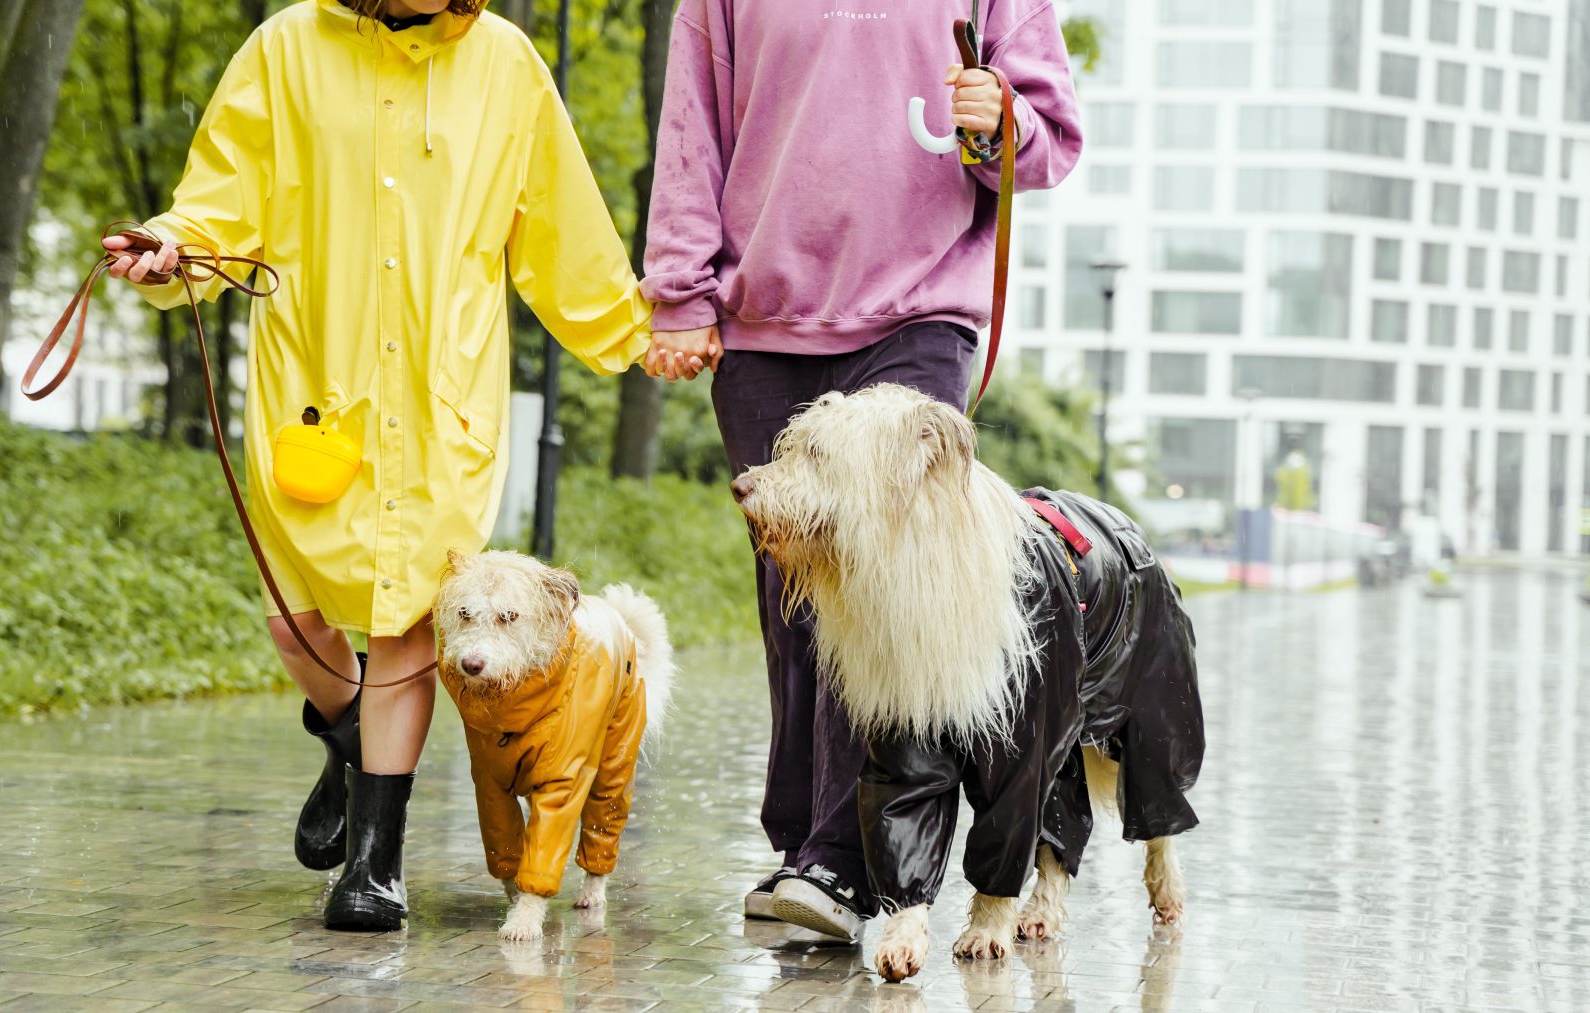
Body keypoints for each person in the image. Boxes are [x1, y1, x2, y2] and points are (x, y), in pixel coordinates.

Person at [104, 0, 654, 932]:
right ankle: (350, 740)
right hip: (316, 394)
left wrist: (644, 332)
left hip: (443, 401)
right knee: (295, 625)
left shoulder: (506, 63)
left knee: (405, 626)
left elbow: (564, 228)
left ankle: (374, 864)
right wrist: (173, 250)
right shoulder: (285, 49)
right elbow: (220, 201)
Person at [641, 0, 1082, 941]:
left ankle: (849, 860)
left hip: (918, 310)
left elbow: (1047, 143)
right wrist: (679, 290)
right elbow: (690, 128)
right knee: (793, 595)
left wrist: (1000, 120)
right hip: (767, 320)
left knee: (888, 590)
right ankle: (803, 840)